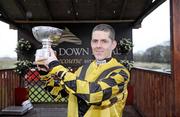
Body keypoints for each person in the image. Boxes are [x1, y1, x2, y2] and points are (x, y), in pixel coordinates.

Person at [36, 24, 130, 117]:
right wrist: (45, 74)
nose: (98, 46)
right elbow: (59, 93)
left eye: (104, 41)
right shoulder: (82, 69)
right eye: (95, 41)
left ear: (113, 45)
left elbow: (94, 94)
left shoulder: (121, 73)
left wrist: (56, 66)